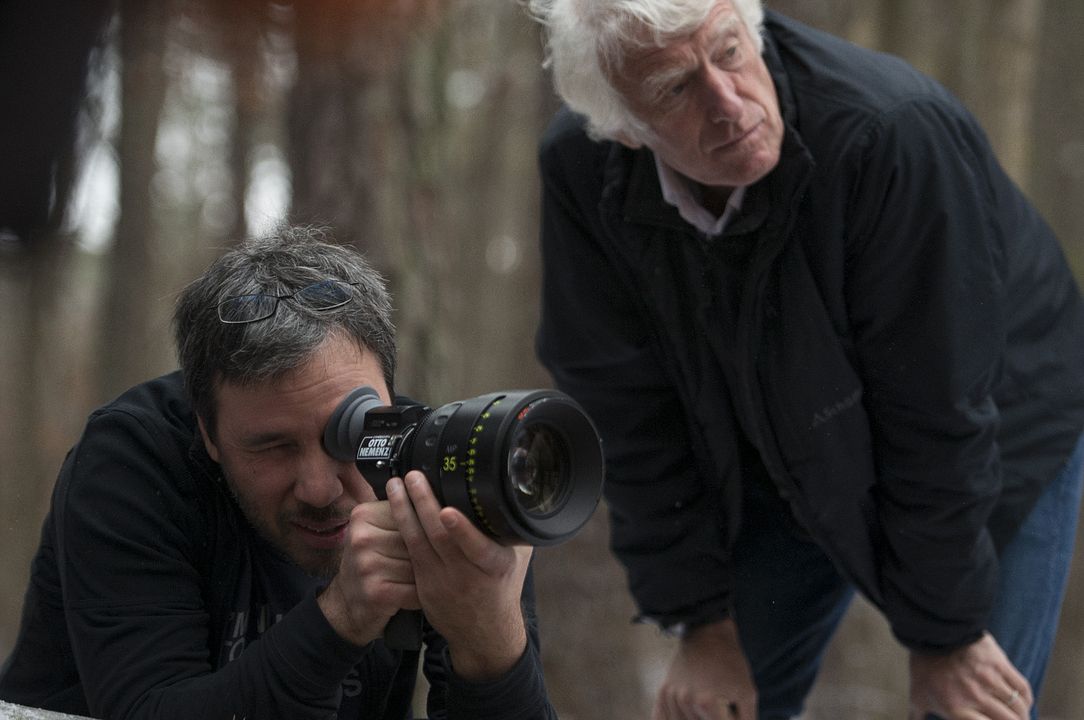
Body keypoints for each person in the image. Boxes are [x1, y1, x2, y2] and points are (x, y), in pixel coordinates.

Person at [527, 0, 1084, 718]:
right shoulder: (583, 171)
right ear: (623, 128)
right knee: (716, 705)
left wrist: (947, 636)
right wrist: (701, 619)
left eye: (729, 52)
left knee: (970, 707)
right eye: (676, 88)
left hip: (993, 423)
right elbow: (629, 411)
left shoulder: (890, 133)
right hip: (780, 437)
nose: (728, 104)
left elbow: (938, 411)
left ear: (753, 30)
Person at [0, 226, 557, 720]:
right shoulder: (132, 465)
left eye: (350, 433)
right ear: (207, 431)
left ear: (389, 398)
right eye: (273, 447)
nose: (319, 487)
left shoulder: (438, 463)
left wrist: (491, 640)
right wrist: (343, 616)